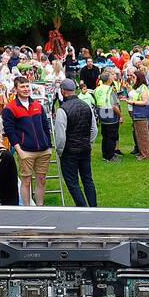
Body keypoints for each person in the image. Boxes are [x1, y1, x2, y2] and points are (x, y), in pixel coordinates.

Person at [1, 77, 52, 204]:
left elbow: (46, 126)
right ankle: (27, 209)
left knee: (41, 179)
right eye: (22, 87)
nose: (26, 89)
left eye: (27, 86)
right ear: (16, 89)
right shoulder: (10, 108)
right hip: (26, 151)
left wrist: (49, 145)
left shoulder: (38, 106)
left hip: (43, 150)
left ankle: (40, 206)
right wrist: (19, 150)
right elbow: (9, 131)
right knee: (26, 181)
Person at [54, 78, 98, 207]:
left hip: (69, 152)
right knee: (87, 179)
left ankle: (83, 208)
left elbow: (60, 137)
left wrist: (60, 151)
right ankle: (93, 207)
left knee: (72, 182)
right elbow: (94, 129)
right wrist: (87, 142)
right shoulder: (86, 106)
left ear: (62, 91)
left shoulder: (62, 110)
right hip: (85, 149)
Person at [93, 69, 123, 162]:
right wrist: (120, 116)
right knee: (112, 135)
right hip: (110, 112)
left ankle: (105, 154)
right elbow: (114, 105)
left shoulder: (97, 88)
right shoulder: (110, 89)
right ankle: (110, 156)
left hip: (101, 112)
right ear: (109, 80)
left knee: (105, 135)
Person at [126, 69, 149, 160]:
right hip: (137, 114)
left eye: (134, 77)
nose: (132, 79)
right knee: (139, 134)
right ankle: (142, 152)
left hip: (142, 114)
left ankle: (145, 154)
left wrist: (132, 102)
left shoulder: (143, 88)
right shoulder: (138, 87)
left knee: (143, 135)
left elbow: (145, 101)